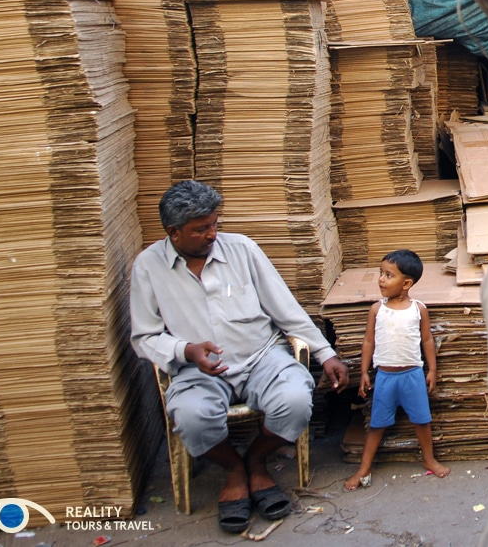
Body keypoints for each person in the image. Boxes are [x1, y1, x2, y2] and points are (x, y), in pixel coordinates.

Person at [130, 180, 349, 534]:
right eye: (201, 229)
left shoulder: (242, 248)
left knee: (295, 400)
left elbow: (284, 308)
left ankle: (256, 461)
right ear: (173, 232)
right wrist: (185, 350)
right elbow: (144, 336)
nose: (212, 234)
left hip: (262, 355)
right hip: (197, 369)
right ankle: (233, 470)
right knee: (191, 417)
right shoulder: (149, 266)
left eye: (215, 224)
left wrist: (325, 353)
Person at [344, 249, 450, 491]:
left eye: (388, 275)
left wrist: (431, 370)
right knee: (377, 424)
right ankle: (363, 468)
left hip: (412, 375)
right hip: (385, 377)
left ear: (406, 283)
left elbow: (427, 341)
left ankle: (429, 458)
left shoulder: (418, 309)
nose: (381, 279)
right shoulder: (376, 309)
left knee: (422, 421)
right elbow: (368, 342)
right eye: (380, 273)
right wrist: (363, 372)